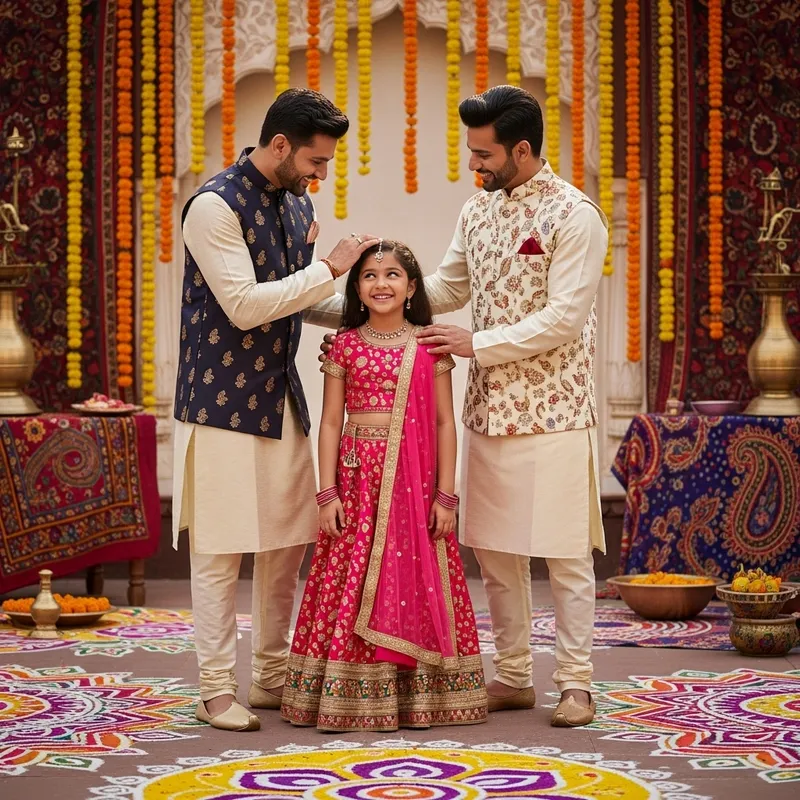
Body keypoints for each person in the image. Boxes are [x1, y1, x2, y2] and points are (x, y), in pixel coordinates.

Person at [322, 86, 607, 727]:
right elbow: (447, 287)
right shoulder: (477, 211)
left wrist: (475, 343)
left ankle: (576, 684)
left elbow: (563, 319)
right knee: (498, 555)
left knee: (563, 554)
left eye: (484, 153)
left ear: (523, 149)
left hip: (556, 409)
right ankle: (512, 676)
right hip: (489, 411)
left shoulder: (574, 215)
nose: (474, 165)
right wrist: (336, 306)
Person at [172, 88, 378, 732]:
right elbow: (244, 305)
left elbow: (292, 303)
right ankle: (212, 690)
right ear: (281, 145)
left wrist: (376, 312)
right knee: (219, 550)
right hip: (220, 402)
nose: (321, 175)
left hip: (280, 397)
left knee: (288, 544)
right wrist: (330, 267)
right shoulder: (212, 206)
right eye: (316, 162)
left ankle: (268, 675)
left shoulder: (296, 203)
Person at [281, 239, 488, 732]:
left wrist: (446, 494)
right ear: (356, 287)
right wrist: (326, 492)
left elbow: (443, 423)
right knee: (347, 577)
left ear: (412, 286)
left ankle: (417, 696)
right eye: (370, 276)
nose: (381, 284)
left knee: (415, 576)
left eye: (393, 275)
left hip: (413, 488)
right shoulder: (346, 346)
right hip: (356, 483)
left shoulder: (429, 346)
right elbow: (331, 422)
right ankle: (351, 692)